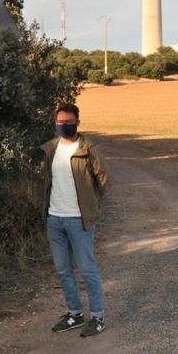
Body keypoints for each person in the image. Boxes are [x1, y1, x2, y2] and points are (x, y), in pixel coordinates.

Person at [40, 103, 111, 337]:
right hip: (55, 219)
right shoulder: (51, 148)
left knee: (87, 270)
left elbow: (104, 181)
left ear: (77, 123)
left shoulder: (89, 149)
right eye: (60, 122)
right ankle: (75, 314)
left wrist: (90, 206)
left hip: (79, 221)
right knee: (63, 270)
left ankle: (98, 317)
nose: (64, 126)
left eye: (68, 122)